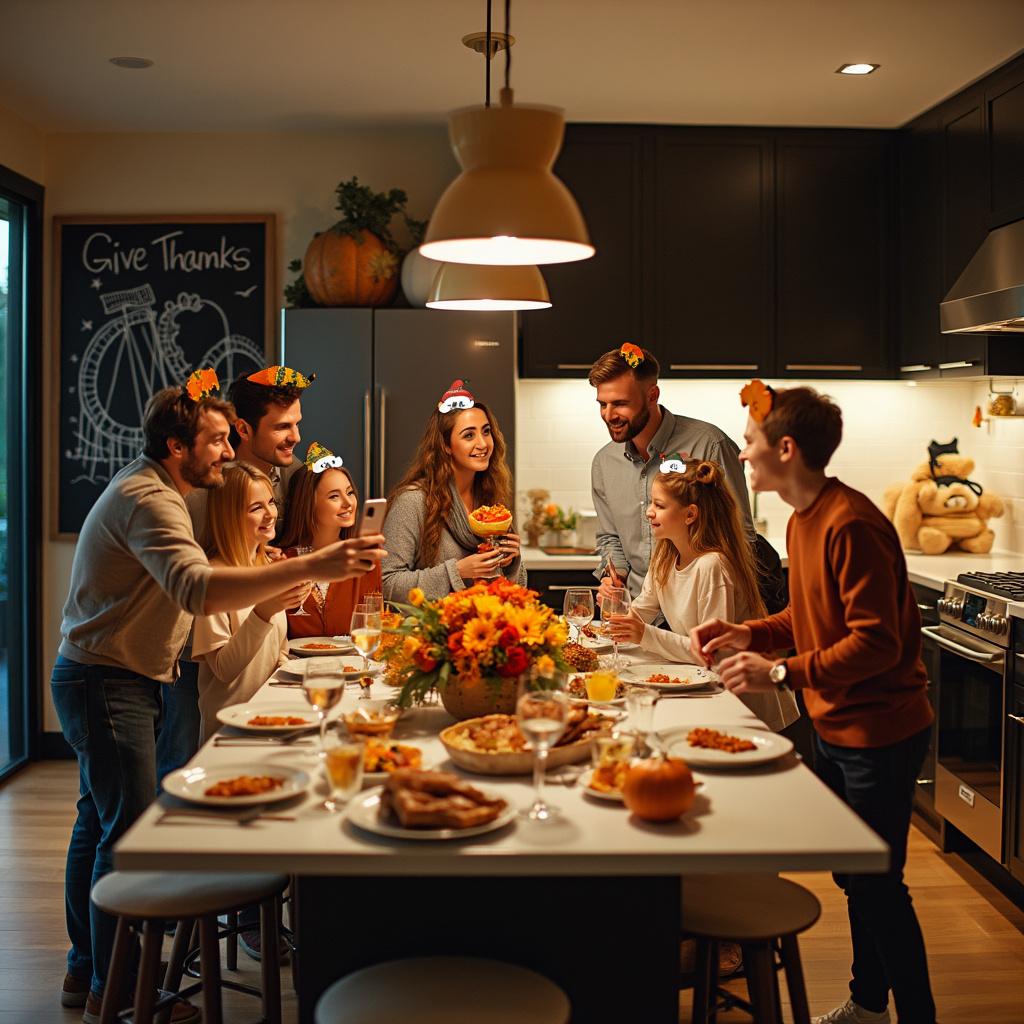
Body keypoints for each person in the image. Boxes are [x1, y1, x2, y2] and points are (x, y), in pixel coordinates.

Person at [51, 373, 385, 1024]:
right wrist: (313, 567)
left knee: (99, 824)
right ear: (177, 447)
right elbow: (196, 589)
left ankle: (86, 972)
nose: (229, 451)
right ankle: (114, 990)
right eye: (215, 442)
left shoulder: (162, 492)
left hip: (116, 673)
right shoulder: (150, 500)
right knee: (125, 836)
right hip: (107, 676)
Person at [690, 382, 935, 1024]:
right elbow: (808, 615)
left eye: (750, 444)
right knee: (857, 878)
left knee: (880, 887)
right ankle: (868, 1004)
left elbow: (875, 646)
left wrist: (778, 671)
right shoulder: (803, 519)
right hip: (835, 723)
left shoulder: (850, 523)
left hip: (881, 730)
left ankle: (904, 1012)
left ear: (787, 449)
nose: (743, 455)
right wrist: (752, 632)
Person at [158, 364, 310, 783]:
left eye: (296, 424)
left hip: (253, 637)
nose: (295, 437)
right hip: (191, 646)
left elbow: (269, 542)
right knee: (184, 765)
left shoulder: (292, 475)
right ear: (243, 429)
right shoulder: (196, 487)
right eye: (282, 427)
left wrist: (264, 558)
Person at [588, 344, 785, 612]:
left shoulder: (710, 445)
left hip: (698, 610)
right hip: (639, 611)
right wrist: (614, 578)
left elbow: (741, 538)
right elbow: (611, 537)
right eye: (603, 404)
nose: (609, 415)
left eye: (620, 403)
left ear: (651, 395)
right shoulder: (604, 462)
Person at [608, 459, 798, 732]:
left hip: (745, 705)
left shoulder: (713, 566)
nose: (649, 512)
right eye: (651, 503)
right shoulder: (666, 553)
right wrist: (618, 610)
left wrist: (644, 634)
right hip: (709, 685)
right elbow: (643, 608)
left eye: (659, 505)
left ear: (690, 514)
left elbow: (712, 654)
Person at [382, 379, 525, 601]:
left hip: (480, 629)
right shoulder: (413, 502)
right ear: (446, 445)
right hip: (427, 631)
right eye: (469, 435)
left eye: (486, 432)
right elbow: (387, 584)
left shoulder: (490, 502)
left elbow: (510, 593)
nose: (483, 444)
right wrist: (456, 572)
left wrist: (510, 561)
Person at [192, 463, 300, 741]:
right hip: (230, 732)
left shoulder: (268, 565)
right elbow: (224, 669)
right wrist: (265, 611)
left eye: (271, 503)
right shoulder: (214, 578)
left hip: (269, 720)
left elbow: (279, 648)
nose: (270, 514)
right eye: (256, 508)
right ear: (229, 516)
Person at [279, 441, 383, 635]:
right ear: (309, 503)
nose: (348, 503)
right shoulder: (283, 563)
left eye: (350, 493)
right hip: (295, 664)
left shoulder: (367, 562)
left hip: (351, 664)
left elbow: (372, 629)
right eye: (334, 496)